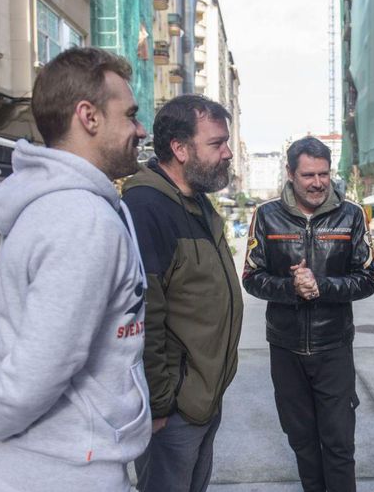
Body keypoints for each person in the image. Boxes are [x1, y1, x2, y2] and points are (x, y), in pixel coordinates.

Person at [0, 47, 151, 492]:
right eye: (131, 115)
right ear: (89, 117)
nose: (140, 129)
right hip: (69, 471)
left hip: (55, 460)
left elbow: (2, 332)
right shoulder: (80, 218)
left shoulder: (55, 208)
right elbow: (46, 359)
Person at [242, 136, 374, 492]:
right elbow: (251, 278)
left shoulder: (350, 215)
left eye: (324, 174)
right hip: (285, 349)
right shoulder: (266, 215)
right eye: (308, 175)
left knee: (339, 444)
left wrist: (322, 286)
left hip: (333, 347)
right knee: (301, 441)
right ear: (290, 174)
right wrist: (291, 289)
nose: (318, 183)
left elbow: (367, 279)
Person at [123, 94, 243, 492]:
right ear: (179, 148)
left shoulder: (197, 201)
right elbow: (143, 317)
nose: (227, 153)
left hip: (201, 399)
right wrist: (160, 405)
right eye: (216, 144)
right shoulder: (146, 206)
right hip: (173, 411)